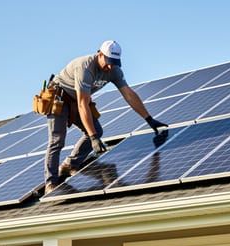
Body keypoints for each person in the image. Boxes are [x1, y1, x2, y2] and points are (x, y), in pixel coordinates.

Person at [43, 40, 168, 194]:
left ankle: (70, 165)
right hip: (60, 98)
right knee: (58, 140)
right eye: (108, 62)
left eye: (114, 63)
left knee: (96, 130)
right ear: (100, 54)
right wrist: (93, 137)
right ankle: (50, 183)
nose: (110, 66)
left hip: (77, 99)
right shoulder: (85, 68)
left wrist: (149, 119)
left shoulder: (114, 71)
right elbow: (83, 104)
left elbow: (129, 94)